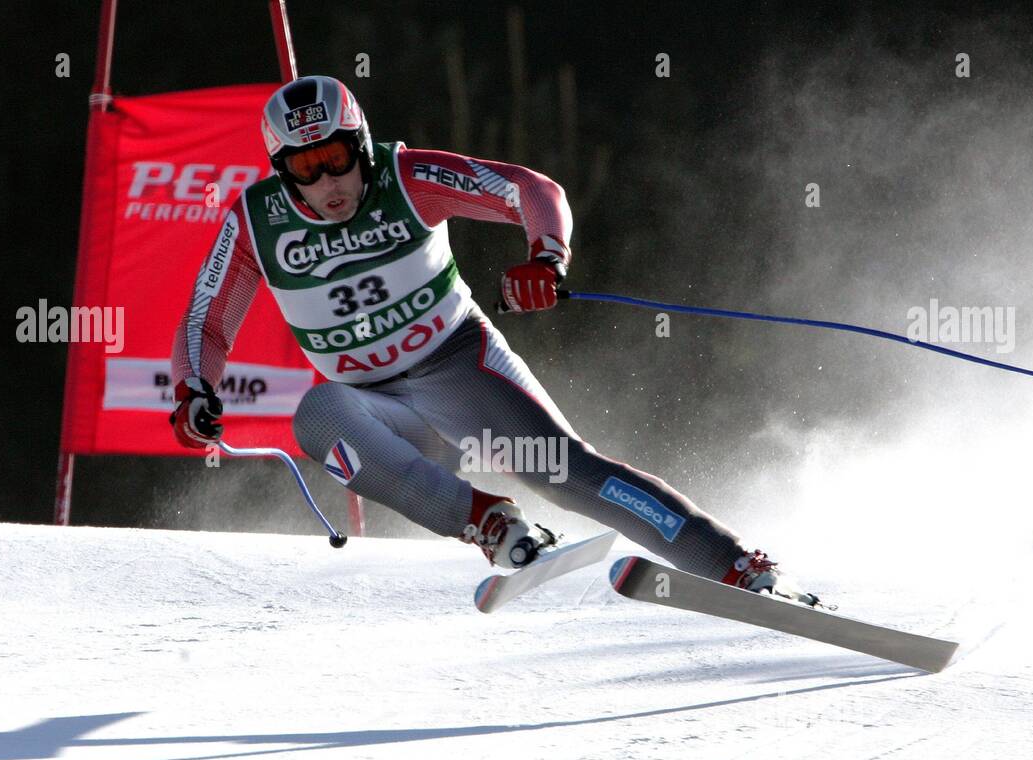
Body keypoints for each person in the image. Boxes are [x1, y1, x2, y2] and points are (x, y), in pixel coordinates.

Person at [170, 75, 813, 601]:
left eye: (336, 160)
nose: (326, 185)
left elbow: (530, 190)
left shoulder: (408, 177)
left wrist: (546, 258)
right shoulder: (256, 221)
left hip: (458, 369)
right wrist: (193, 389)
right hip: (378, 408)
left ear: (360, 144)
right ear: (280, 168)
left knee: (563, 473)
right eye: (303, 168)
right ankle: (488, 521)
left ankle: (737, 565)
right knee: (316, 415)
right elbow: (208, 318)